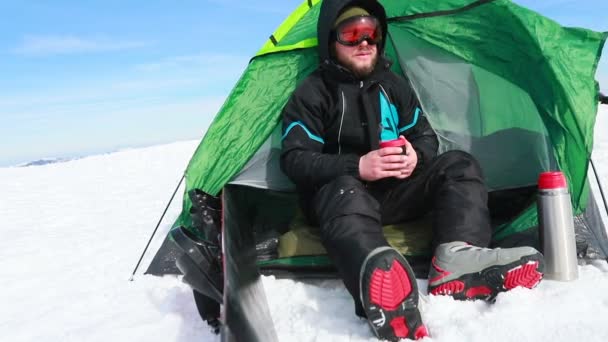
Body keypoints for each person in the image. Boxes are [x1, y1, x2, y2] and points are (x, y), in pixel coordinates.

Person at [280, 1, 544, 340]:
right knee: (343, 188)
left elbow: (424, 135)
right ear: (331, 40)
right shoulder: (313, 93)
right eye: (351, 33)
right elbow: (295, 159)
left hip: (395, 192)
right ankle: (379, 281)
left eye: (371, 33)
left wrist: (415, 156)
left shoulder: (394, 87)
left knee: (459, 164)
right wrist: (357, 165)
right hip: (343, 199)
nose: (364, 43)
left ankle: (458, 260)